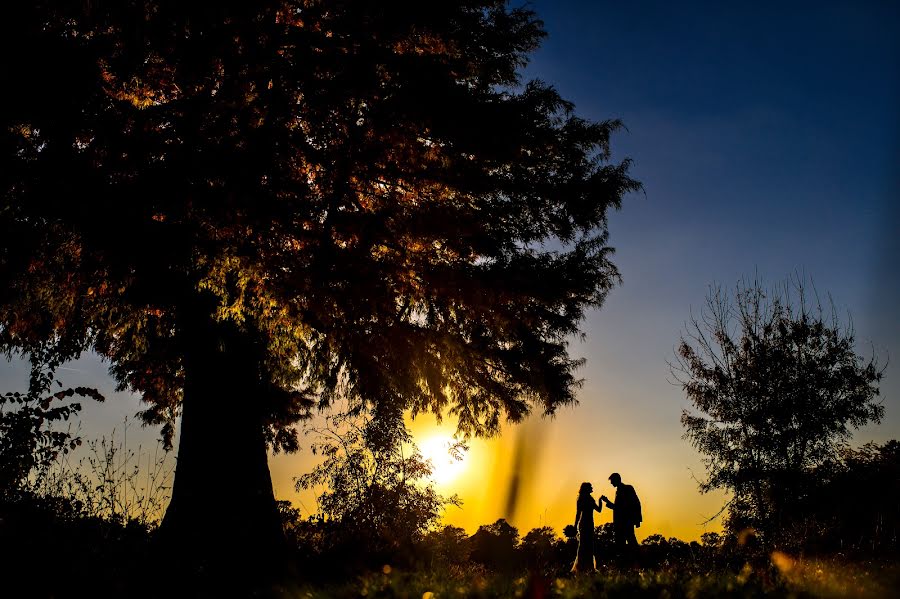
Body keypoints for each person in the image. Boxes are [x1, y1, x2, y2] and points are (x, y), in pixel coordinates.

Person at [600, 473, 641, 558]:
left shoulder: (628, 488)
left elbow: (634, 504)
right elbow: (618, 507)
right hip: (620, 522)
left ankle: (638, 561)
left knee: (631, 542)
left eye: (612, 481)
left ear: (616, 480)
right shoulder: (619, 491)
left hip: (626, 521)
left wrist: (637, 519)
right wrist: (608, 502)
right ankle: (624, 564)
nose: (611, 483)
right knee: (621, 544)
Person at [571, 482, 602, 574]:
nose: (592, 488)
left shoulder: (584, 499)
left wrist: (575, 526)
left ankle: (585, 566)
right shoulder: (586, 499)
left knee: (586, 545)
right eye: (590, 487)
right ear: (586, 488)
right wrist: (575, 525)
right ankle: (585, 567)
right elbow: (599, 510)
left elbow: (578, 514)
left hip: (587, 523)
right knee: (586, 545)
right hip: (586, 523)